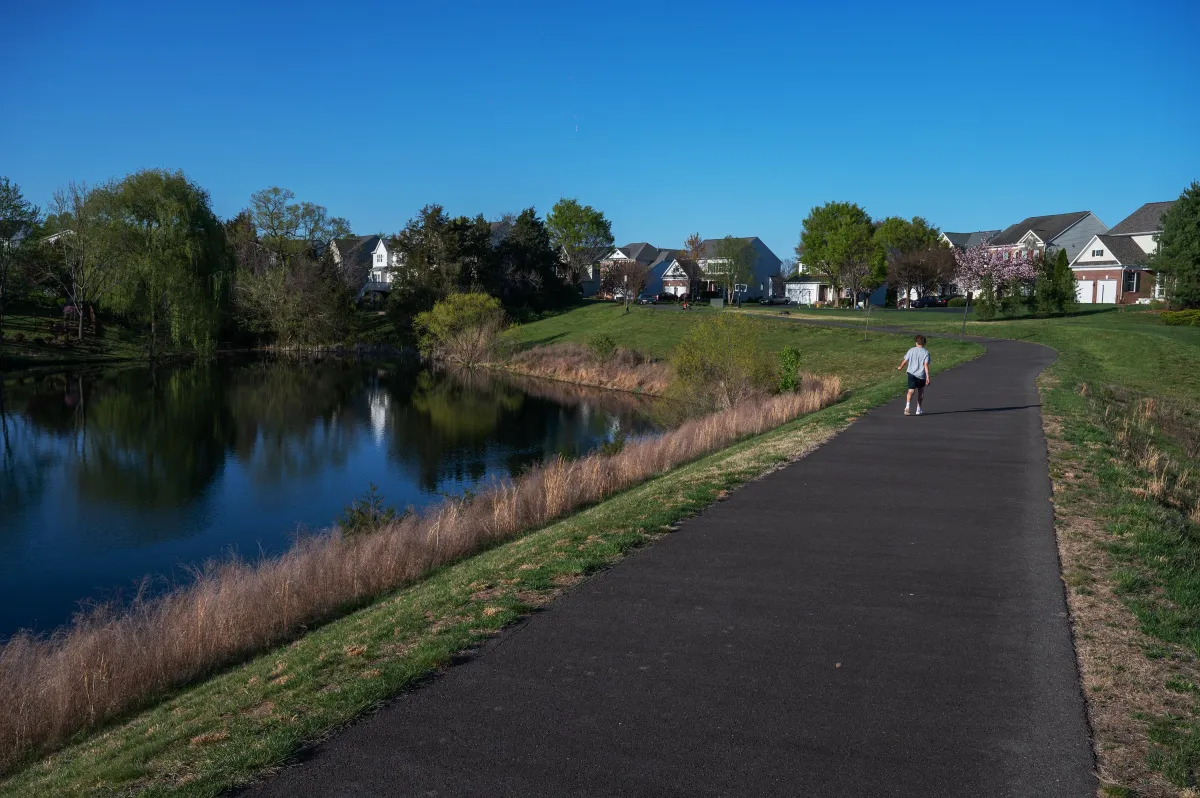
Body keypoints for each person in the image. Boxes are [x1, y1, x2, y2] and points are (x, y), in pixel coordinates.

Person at [897, 334, 931, 415]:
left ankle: (907, 406)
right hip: (921, 374)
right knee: (921, 391)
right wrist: (927, 376)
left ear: (916, 342)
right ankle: (918, 409)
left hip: (911, 373)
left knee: (911, 390)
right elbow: (925, 365)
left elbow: (905, 361)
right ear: (924, 343)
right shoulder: (926, 352)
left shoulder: (911, 350)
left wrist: (900, 367)